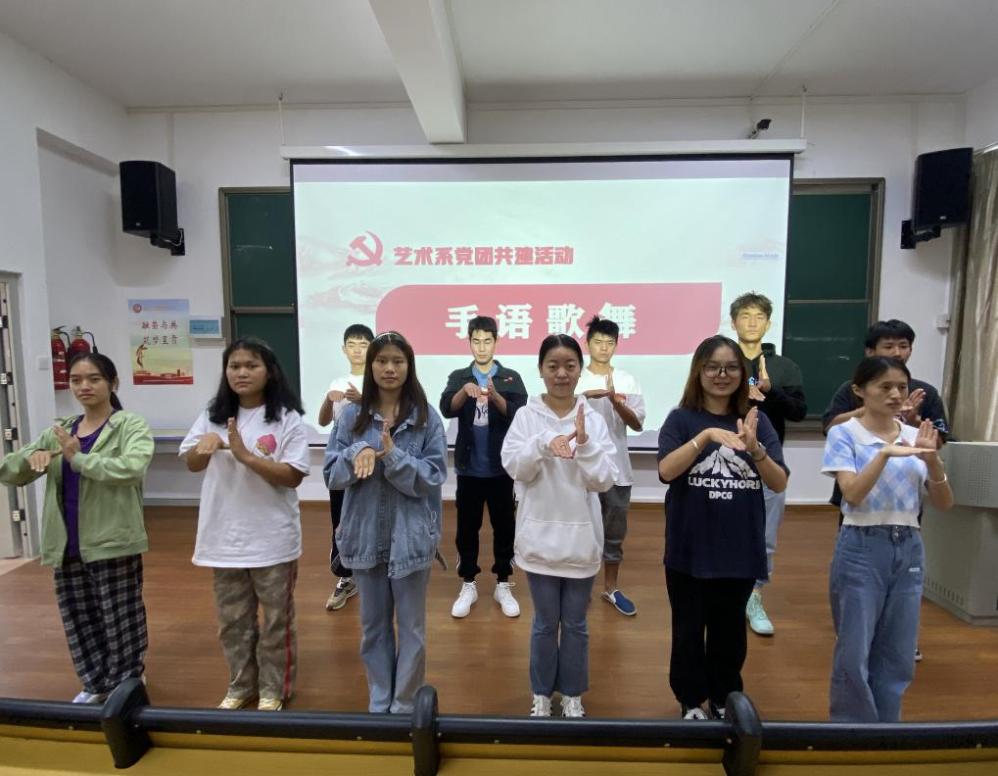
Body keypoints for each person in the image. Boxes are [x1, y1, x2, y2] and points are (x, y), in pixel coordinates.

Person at [0, 353, 153, 704]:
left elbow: (131, 468)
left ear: (113, 384)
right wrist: (30, 460)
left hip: (112, 539)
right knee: (79, 616)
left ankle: (125, 683)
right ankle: (94, 682)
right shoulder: (60, 430)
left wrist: (78, 459)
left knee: (120, 616)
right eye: (76, 380)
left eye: (94, 379)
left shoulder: (128, 425)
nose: (84, 386)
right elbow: (9, 471)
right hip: (66, 541)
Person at [657, 335, 788, 720]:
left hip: (739, 549)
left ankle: (723, 696)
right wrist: (706, 437)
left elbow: (779, 482)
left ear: (743, 374)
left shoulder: (757, 420)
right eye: (712, 367)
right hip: (689, 549)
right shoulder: (681, 419)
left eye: (731, 367)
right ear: (698, 372)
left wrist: (756, 448)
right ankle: (690, 700)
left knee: (729, 634)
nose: (722, 374)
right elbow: (666, 471)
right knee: (687, 631)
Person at [180, 338, 309, 712]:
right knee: (233, 622)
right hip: (223, 538)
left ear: (269, 372)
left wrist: (245, 456)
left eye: (251, 366)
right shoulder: (212, 416)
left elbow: (292, 475)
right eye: (234, 366)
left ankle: (273, 688)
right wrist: (203, 445)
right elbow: (192, 463)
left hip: (272, 539)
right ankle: (241, 685)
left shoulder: (286, 418)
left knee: (276, 621)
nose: (241, 373)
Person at [821, 356, 953, 722]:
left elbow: (944, 503)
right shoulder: (844, 434)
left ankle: (887, 730)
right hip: (862, 543)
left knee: (898, 651)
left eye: (902, 387)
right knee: (854, 649)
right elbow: (852, 494)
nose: (896, 394)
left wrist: (933, 462)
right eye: (885, 387)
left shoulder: (915, 436)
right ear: (860, 391)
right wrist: (883, 454)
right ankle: (852, 731)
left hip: (909, 544)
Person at [324, 331, 447, 714]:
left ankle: (405, 705)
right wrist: (357, 451)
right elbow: (331, 474)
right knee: (374, 627)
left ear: (409, 366)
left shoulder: (426, 418)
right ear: (371, 366)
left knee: (411, 630)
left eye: (397, 361)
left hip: (411, 538)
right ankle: (380, 704)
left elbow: (432, 478)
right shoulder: (350, 417)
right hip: (364, 535)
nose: (389, 368)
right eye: (382, 361)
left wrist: (392, 457)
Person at [501, 334, 617, 718]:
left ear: (580, 370)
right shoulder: (526, 416)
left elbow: (604, 480)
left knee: (576, 624)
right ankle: (540, 693)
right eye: (553, 366)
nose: (562, 373)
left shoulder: (593, 419)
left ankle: (572, 694)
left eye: (570, 366)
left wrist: (585, 445)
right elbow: (515, 468)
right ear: (541, 370)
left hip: (581, 541)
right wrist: (543, 443)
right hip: (538, 541)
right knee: (544, 624)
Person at [439, 315, 528, 619]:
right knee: (467, 529)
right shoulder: (459, 375)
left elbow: (520, 414)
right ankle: (468, 583)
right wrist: (465, 391)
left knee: (504, 527)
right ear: (469, 342)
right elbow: (446, 408)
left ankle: (504, 582)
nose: (481, 347)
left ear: (495, 342)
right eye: (476, 341)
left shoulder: (511, 377)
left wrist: (496, 397)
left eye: (487, 341)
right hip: (468, 468)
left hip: (501, 468)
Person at [729, 292, 807, 636]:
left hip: (767, 462)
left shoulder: (785, 366)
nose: (751, 322)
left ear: (769, 323)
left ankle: (754, 596)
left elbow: (799, 412)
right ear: (733, 322)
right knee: (724, 531)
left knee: (765, 537)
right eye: (745, 316)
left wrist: (771, 391)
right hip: (725, 460)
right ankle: (727, 595)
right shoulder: (722, 361)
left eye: (758, 316)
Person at [577, 315, 645, 616]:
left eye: (609, 342)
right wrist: (584, 397)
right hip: (583, 470)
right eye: (598, 342)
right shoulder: (576, 378)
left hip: (618, 469)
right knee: (582, 530)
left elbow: (638, 424)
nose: (604, 347)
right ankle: (581, 588)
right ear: (588, 343)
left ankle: (610, 588)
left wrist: (617, 403)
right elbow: (561, 418)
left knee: (614, 533)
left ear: (616, 345)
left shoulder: (628, 380)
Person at [317, 323, 374, 612]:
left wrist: (364, 400)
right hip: (341, 463)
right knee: (341, 520)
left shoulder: (379, 381)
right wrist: (329, 400)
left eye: (363, 344)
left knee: (373, 517)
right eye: (352, 344)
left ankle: (375, 576)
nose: (357, 350)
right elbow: (323, 421)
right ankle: (346, 577)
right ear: (344, 349)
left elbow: (389, 418)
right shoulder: (337, 382)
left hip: (372, 461)